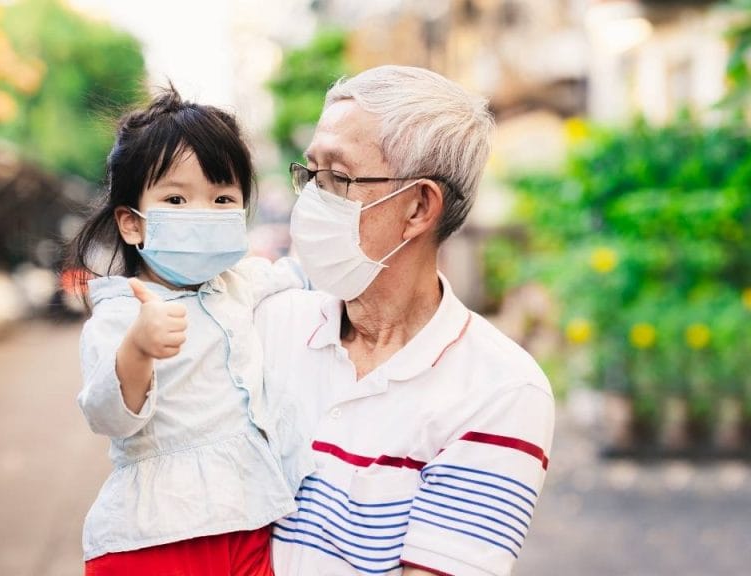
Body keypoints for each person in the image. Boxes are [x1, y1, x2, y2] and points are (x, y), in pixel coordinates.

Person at [256, 65, 555, 576]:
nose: (311, 199)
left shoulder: (499, 391)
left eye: (338, 178)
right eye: (310, 173)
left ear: (418, 206)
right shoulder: (272, 325)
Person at [68, 87, 312, 576]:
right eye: (176, 199)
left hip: (249, 522)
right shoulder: (121, 312)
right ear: (132, 224)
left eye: (222, 198)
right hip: (154, 540)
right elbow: (108, 416)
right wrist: (138, 348)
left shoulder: (241, 283)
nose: (203, 213)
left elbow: (305, 274)